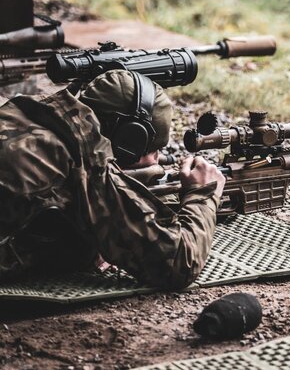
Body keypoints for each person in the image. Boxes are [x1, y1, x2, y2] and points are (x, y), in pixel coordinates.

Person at [0, 70, 225, 288]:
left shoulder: (36, 111)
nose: (157, 158)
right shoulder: (87, 163)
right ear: (129, 141)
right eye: (152, 149)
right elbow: (178, 263)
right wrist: (203, 193)